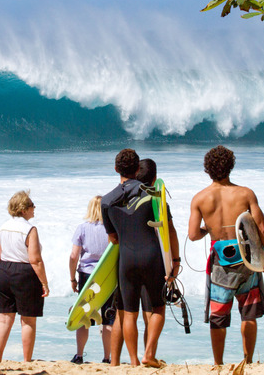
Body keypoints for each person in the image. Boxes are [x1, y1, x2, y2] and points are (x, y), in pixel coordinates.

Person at [188, 145, 264, 365]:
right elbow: (262, 228)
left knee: (218, 317)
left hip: (220, 265)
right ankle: (248, 360)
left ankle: (218, 364)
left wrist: (209, 229)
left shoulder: (200, 198)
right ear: (231, 166)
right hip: (247, 258)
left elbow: (193, 235)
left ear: (207, 170)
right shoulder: (246, 193)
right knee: (249, 313)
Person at [102, 149, 177, 367]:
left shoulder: (106, 201)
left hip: (126, 260)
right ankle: (149, 354)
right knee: (158, 308)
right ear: (137, 169)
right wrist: (175, 262)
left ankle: (134, 362)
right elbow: (167, 230)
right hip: (152, 257)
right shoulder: (153, 195)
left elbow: (113, 239)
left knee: (128, 314)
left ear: (116, 169)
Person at [0, 190, 50, 362]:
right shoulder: (30, 229)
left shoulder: (2, 227)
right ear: (24, 209)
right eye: (32, 205)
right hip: (24, 273)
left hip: (2, 271)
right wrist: (44, 283)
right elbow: (35, 260)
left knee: (4, 319)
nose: (34, 208)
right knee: (28, 320)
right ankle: (27, 360)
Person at [68, 196, 113, 364]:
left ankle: (79, 355)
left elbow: (74, 256)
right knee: (108, 317)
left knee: (83, 315)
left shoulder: (82, 228)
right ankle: (107, 358)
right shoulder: (112, 229)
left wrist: (72, 278)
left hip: (87, 276)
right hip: (107, 276)